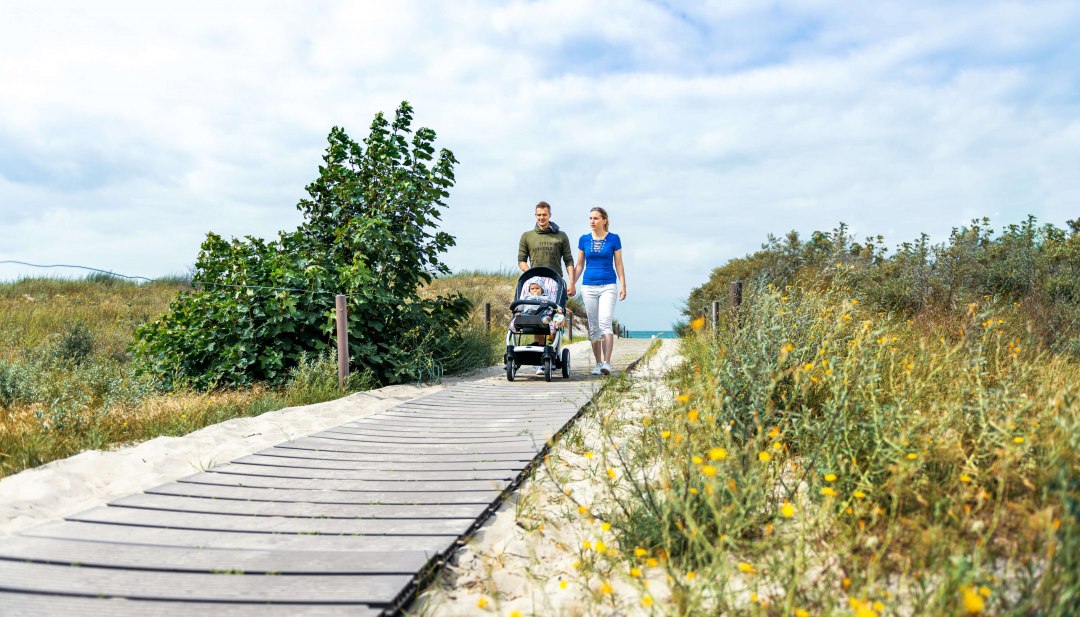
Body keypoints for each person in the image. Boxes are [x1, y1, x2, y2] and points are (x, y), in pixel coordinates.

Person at [518, 202, 576, 372]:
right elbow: (521, 260)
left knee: (556, 318)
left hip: (555, 283)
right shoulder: (527, 236)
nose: (541, 218)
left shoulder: (561, 236)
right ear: (535, 215)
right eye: (538, 215)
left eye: (544, 215)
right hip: (536, 283)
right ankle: (541, 359)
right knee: (537, 315)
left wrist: (571, 281)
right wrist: (531, 274)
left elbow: (568, 260)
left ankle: (554, 352)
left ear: (550, 215)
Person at [573, 207, 626, 376]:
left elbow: (618, 264)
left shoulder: (614, 239)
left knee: (605, 322)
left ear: (604, 220)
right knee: (594, 327)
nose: (592, 221)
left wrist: (623, 285)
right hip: (588, 286)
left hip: (608, 286)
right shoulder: (584, 239)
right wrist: (571, 282)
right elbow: (580, 265)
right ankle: (597, 363)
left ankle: (607, 363)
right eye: (590, 218)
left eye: (596, 218)